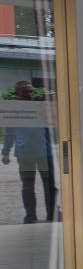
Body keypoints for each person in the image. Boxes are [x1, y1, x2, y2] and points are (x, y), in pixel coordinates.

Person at [1, 80, 56, 224]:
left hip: (44, 152)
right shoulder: (13, 110)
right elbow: (9, 133)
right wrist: (5, 152)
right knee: (28, 185)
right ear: (17, 93)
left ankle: (52, 215)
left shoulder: (40, 108)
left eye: (31, 91)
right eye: (25, 91)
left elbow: (53, 123)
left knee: (49, 185)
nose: (30, 94)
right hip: (25, 154)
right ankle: (30, 216)